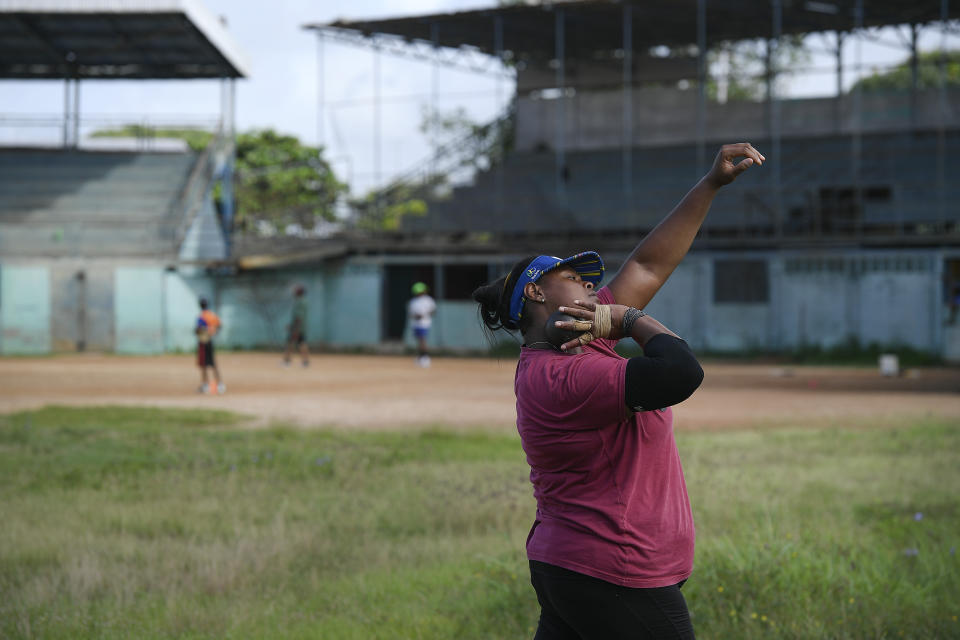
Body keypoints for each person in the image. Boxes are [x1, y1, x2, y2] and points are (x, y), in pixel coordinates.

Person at [472, 143, 765, 639]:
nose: (592, 287)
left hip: (574, 564)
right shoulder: (566, 374)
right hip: (613, 569)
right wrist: (630, 320)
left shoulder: (581, 339)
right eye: (575, 278)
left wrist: (711, 182)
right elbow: (680, 373)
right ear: (537, 292)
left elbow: (649, 265)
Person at [195, 297, 225, 394]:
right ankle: (220, 385)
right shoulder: (212, 315)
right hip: (210, 341)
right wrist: (213, 331)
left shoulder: (202, 316)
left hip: (203, 341)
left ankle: (205, 385)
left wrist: (201, 331)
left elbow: (198, 329)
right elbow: (219, 325)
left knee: (204, 364)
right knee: (213, 363)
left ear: (200, 305)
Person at [408, 281, 437, 367]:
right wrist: (416, 316)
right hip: (415, 324)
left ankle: (425, 358)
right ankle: (421, 357)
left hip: (424, 323)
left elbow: (433, 311)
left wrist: (425, 314)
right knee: (420, 341)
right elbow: (411, 313)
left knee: (422, 340)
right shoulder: (413, 301)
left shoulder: (428, 300)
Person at [283, 284, 310, 367]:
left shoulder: (300, 302)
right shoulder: (304, 301)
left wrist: (294, 327)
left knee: (291, 343)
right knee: (301, 343)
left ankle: (287, 361)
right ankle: (305, 362)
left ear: (299, 292)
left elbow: (299, 316)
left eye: (295, 290)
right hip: (300, 326)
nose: (293, 292)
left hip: (297, 326)